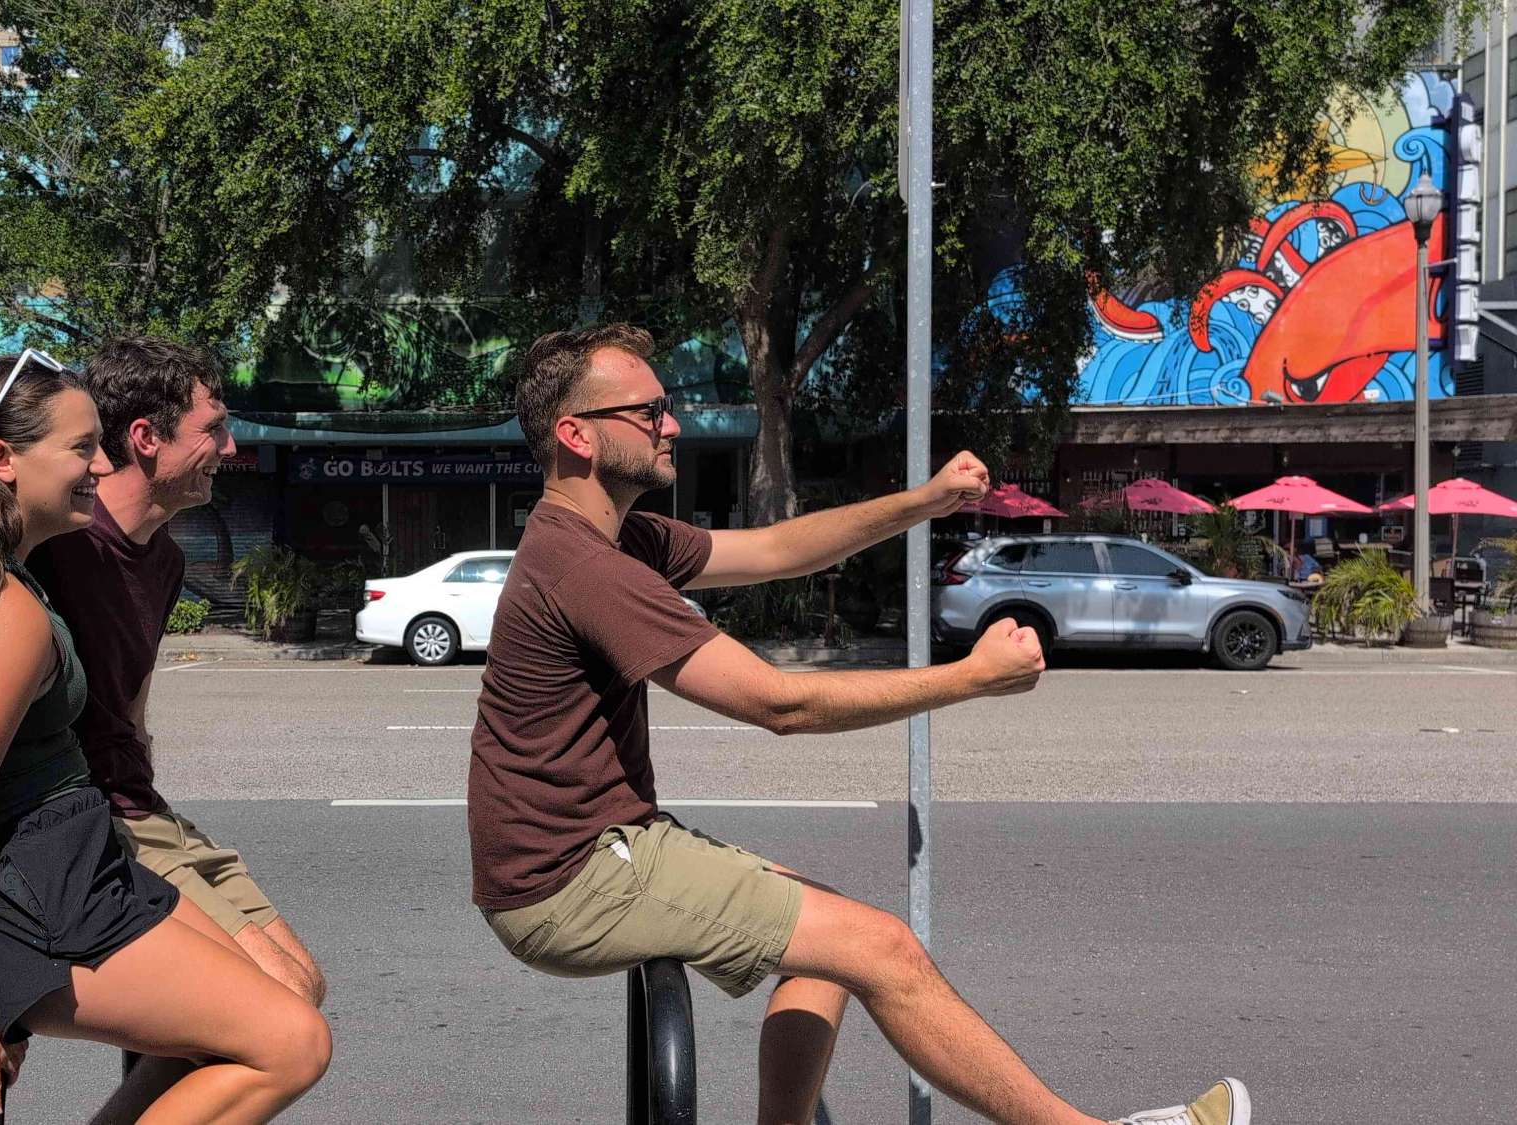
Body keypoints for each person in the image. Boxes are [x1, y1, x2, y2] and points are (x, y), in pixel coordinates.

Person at [469, 324, 1251, 1125]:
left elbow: (778, 548)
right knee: (883, 947)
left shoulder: (620, 536)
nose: (674, 424)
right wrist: (972, 677)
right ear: (577, 435)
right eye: (650, 409)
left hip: (606, 844)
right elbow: (782, 703)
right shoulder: (586, 565)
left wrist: (926, 501)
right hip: (571, 879)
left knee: (828, 952)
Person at [0, 338, 325, 1117]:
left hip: (83, 847)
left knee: (291, 1002)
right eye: (83, 448)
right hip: (44, 879)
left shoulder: (14, 575)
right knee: (291, 1038)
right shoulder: (11, 606)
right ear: (4, 462)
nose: (99, 464)